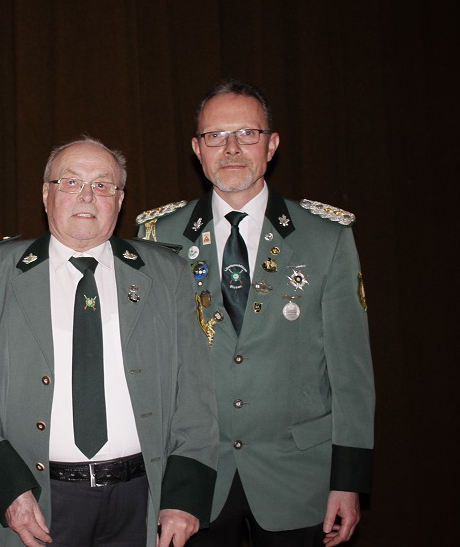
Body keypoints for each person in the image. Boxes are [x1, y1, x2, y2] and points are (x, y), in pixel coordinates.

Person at [137, 79, 374, 547]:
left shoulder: (325, 237)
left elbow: (351, 370)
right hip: (196, 476)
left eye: (247, 133)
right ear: (196, 150)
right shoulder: (159, 237)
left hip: (301, 475)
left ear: (272, 144)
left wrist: (349, 480)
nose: (230, 148)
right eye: (215, 136)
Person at [0, 137, 218, 547]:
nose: (87, 196)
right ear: (46, 195)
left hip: (141, 499)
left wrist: (184, 496)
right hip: (37, 500)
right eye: (70, 182)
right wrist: (8, 488)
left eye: (103, 185)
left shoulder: (166, 273)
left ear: (119, 201)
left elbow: (195, 389)